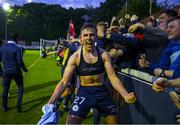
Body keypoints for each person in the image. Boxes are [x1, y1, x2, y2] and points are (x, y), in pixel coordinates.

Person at [47, 23, 136, 124]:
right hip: (84, 93)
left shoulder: (104, 54)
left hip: (102, 93)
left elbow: (113, 78)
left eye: (92, 35)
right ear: (81, 38)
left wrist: (125, 95)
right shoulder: (75, 57)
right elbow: (63, 82)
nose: (89, 38)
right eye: (85, 35)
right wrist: (50, 102)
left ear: (96, 37)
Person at [0, 33, 28, 112]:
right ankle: (18, 107)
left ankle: (4, 107)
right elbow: (19, 61)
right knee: (20, 87)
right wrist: (25, 69)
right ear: (16, 39)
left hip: (6, 71)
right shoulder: (18, 47)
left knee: (5, 89)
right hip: (16, 71)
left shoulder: (2, 47)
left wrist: (1, 73)